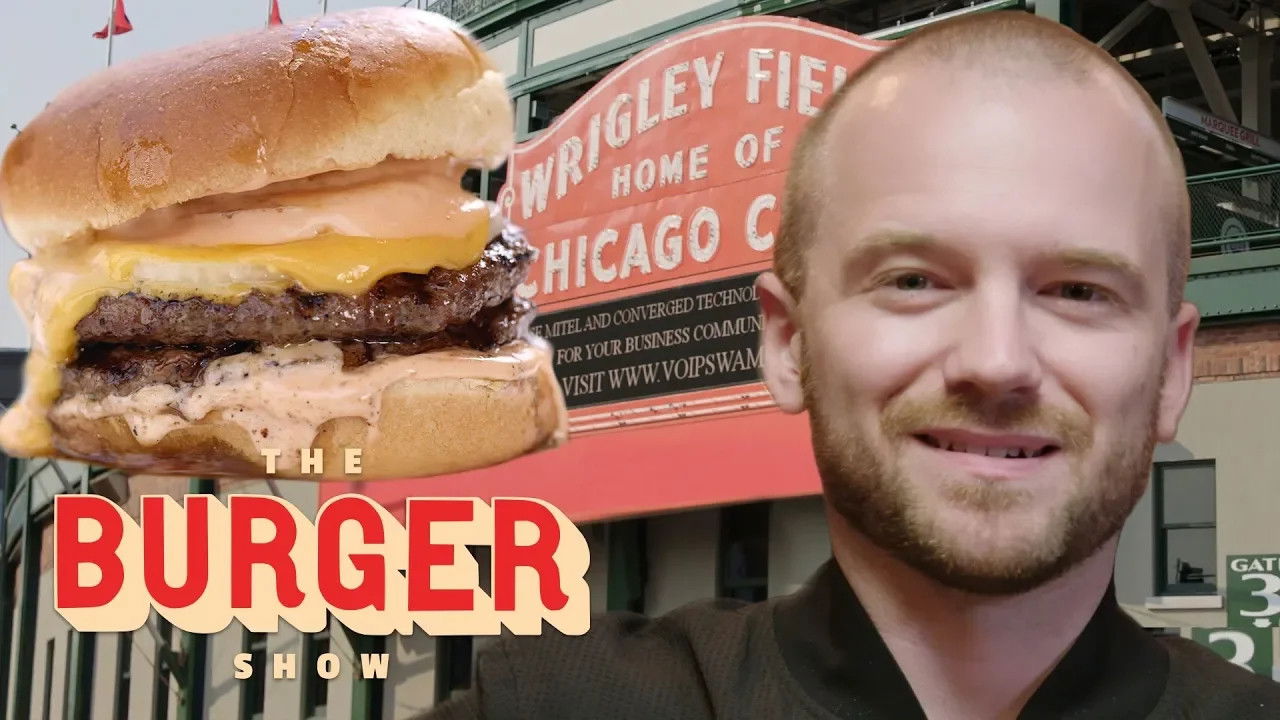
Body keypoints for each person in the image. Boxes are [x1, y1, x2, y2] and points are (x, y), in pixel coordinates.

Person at [426, 11, 1280, 719]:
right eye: (914, 281)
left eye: (1079, 291)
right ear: (787, 343)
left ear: (1172, 372)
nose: (996, 361)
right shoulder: (561, 704)